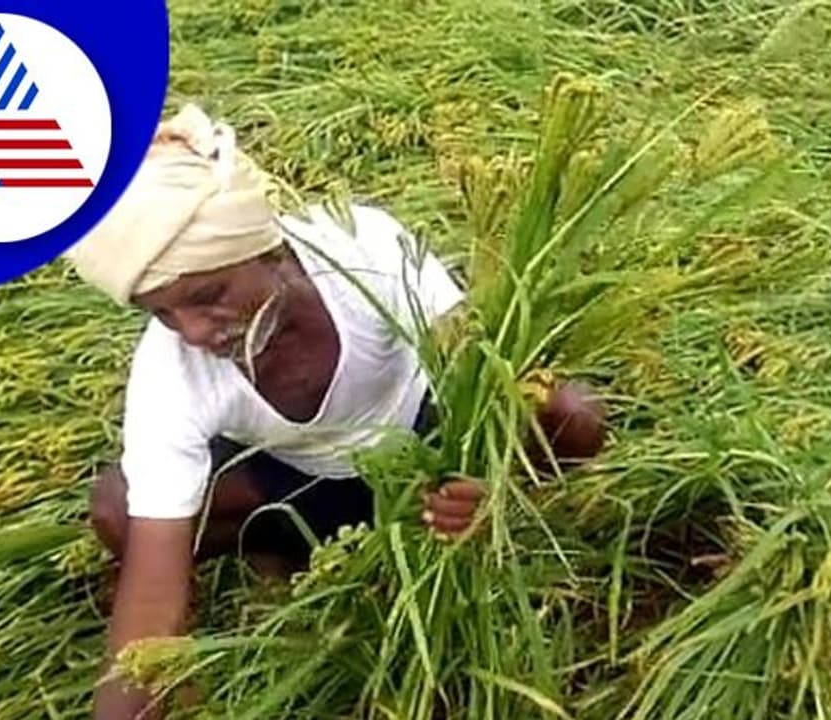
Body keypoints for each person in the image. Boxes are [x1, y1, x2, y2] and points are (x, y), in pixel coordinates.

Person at [63, 104, 605, 720]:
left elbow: (481, 375)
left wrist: (481, 477)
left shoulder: (363, 249)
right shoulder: (172, 372)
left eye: (208, 296)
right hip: (298, 484)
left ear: (266, 250)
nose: (192, 332)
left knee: (569, 411)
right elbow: (149, 611)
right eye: (162, 313)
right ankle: (294, 552)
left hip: (422, 452)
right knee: (122, 512)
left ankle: (463, 520)